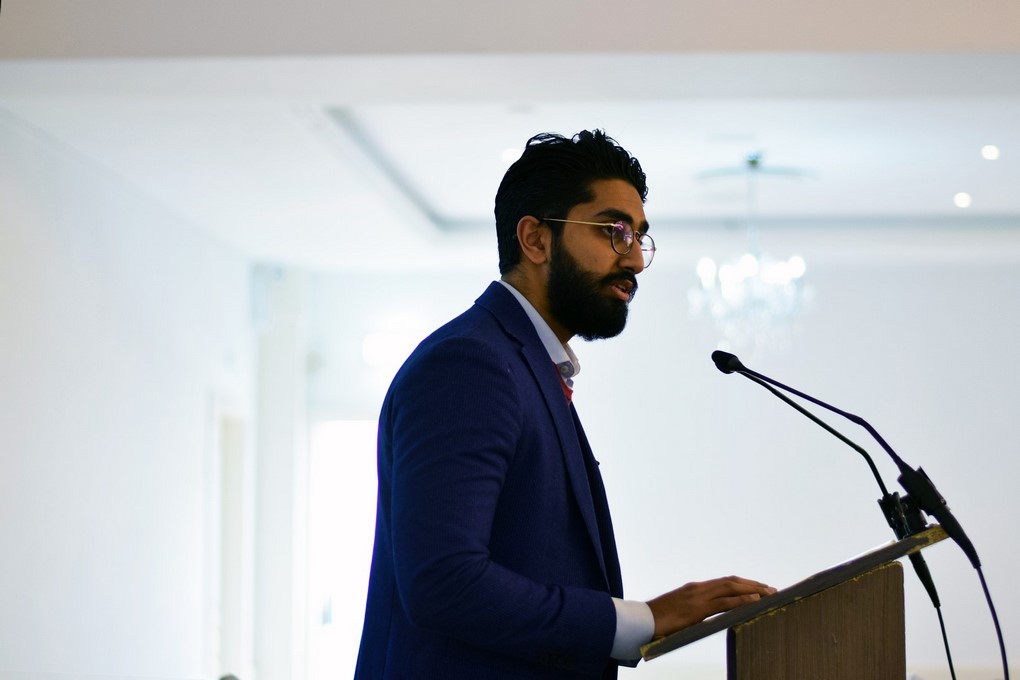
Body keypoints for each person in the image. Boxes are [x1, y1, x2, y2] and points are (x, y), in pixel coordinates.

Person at [354, 130, 774, 679]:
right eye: (612, 230)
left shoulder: (525, 364)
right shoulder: (470, 364)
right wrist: (642, 619)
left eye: (639, 236)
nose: (635, 259)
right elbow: (444, 582)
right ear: (536, 239)